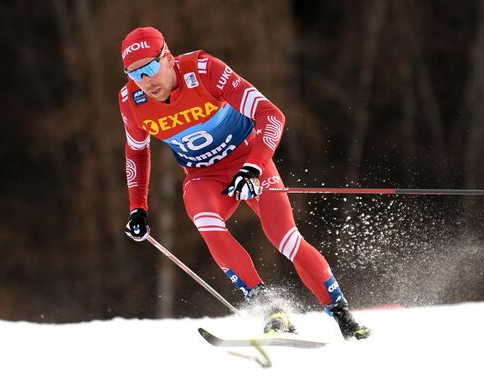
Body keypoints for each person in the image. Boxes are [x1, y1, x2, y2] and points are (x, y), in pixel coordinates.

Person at [120, 26, 370, 339]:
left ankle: (344, 317)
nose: (145, 81)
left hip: (248, 160)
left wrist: (253, 167)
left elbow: (272, 115)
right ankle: (271, 309)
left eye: (151, 68)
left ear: (168, 59)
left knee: (285, 238)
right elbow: (137, 153)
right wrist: (138, 208)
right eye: (134, 74)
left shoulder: (205, 69)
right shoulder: (132, 100)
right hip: (202, 176)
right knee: (204, 217)